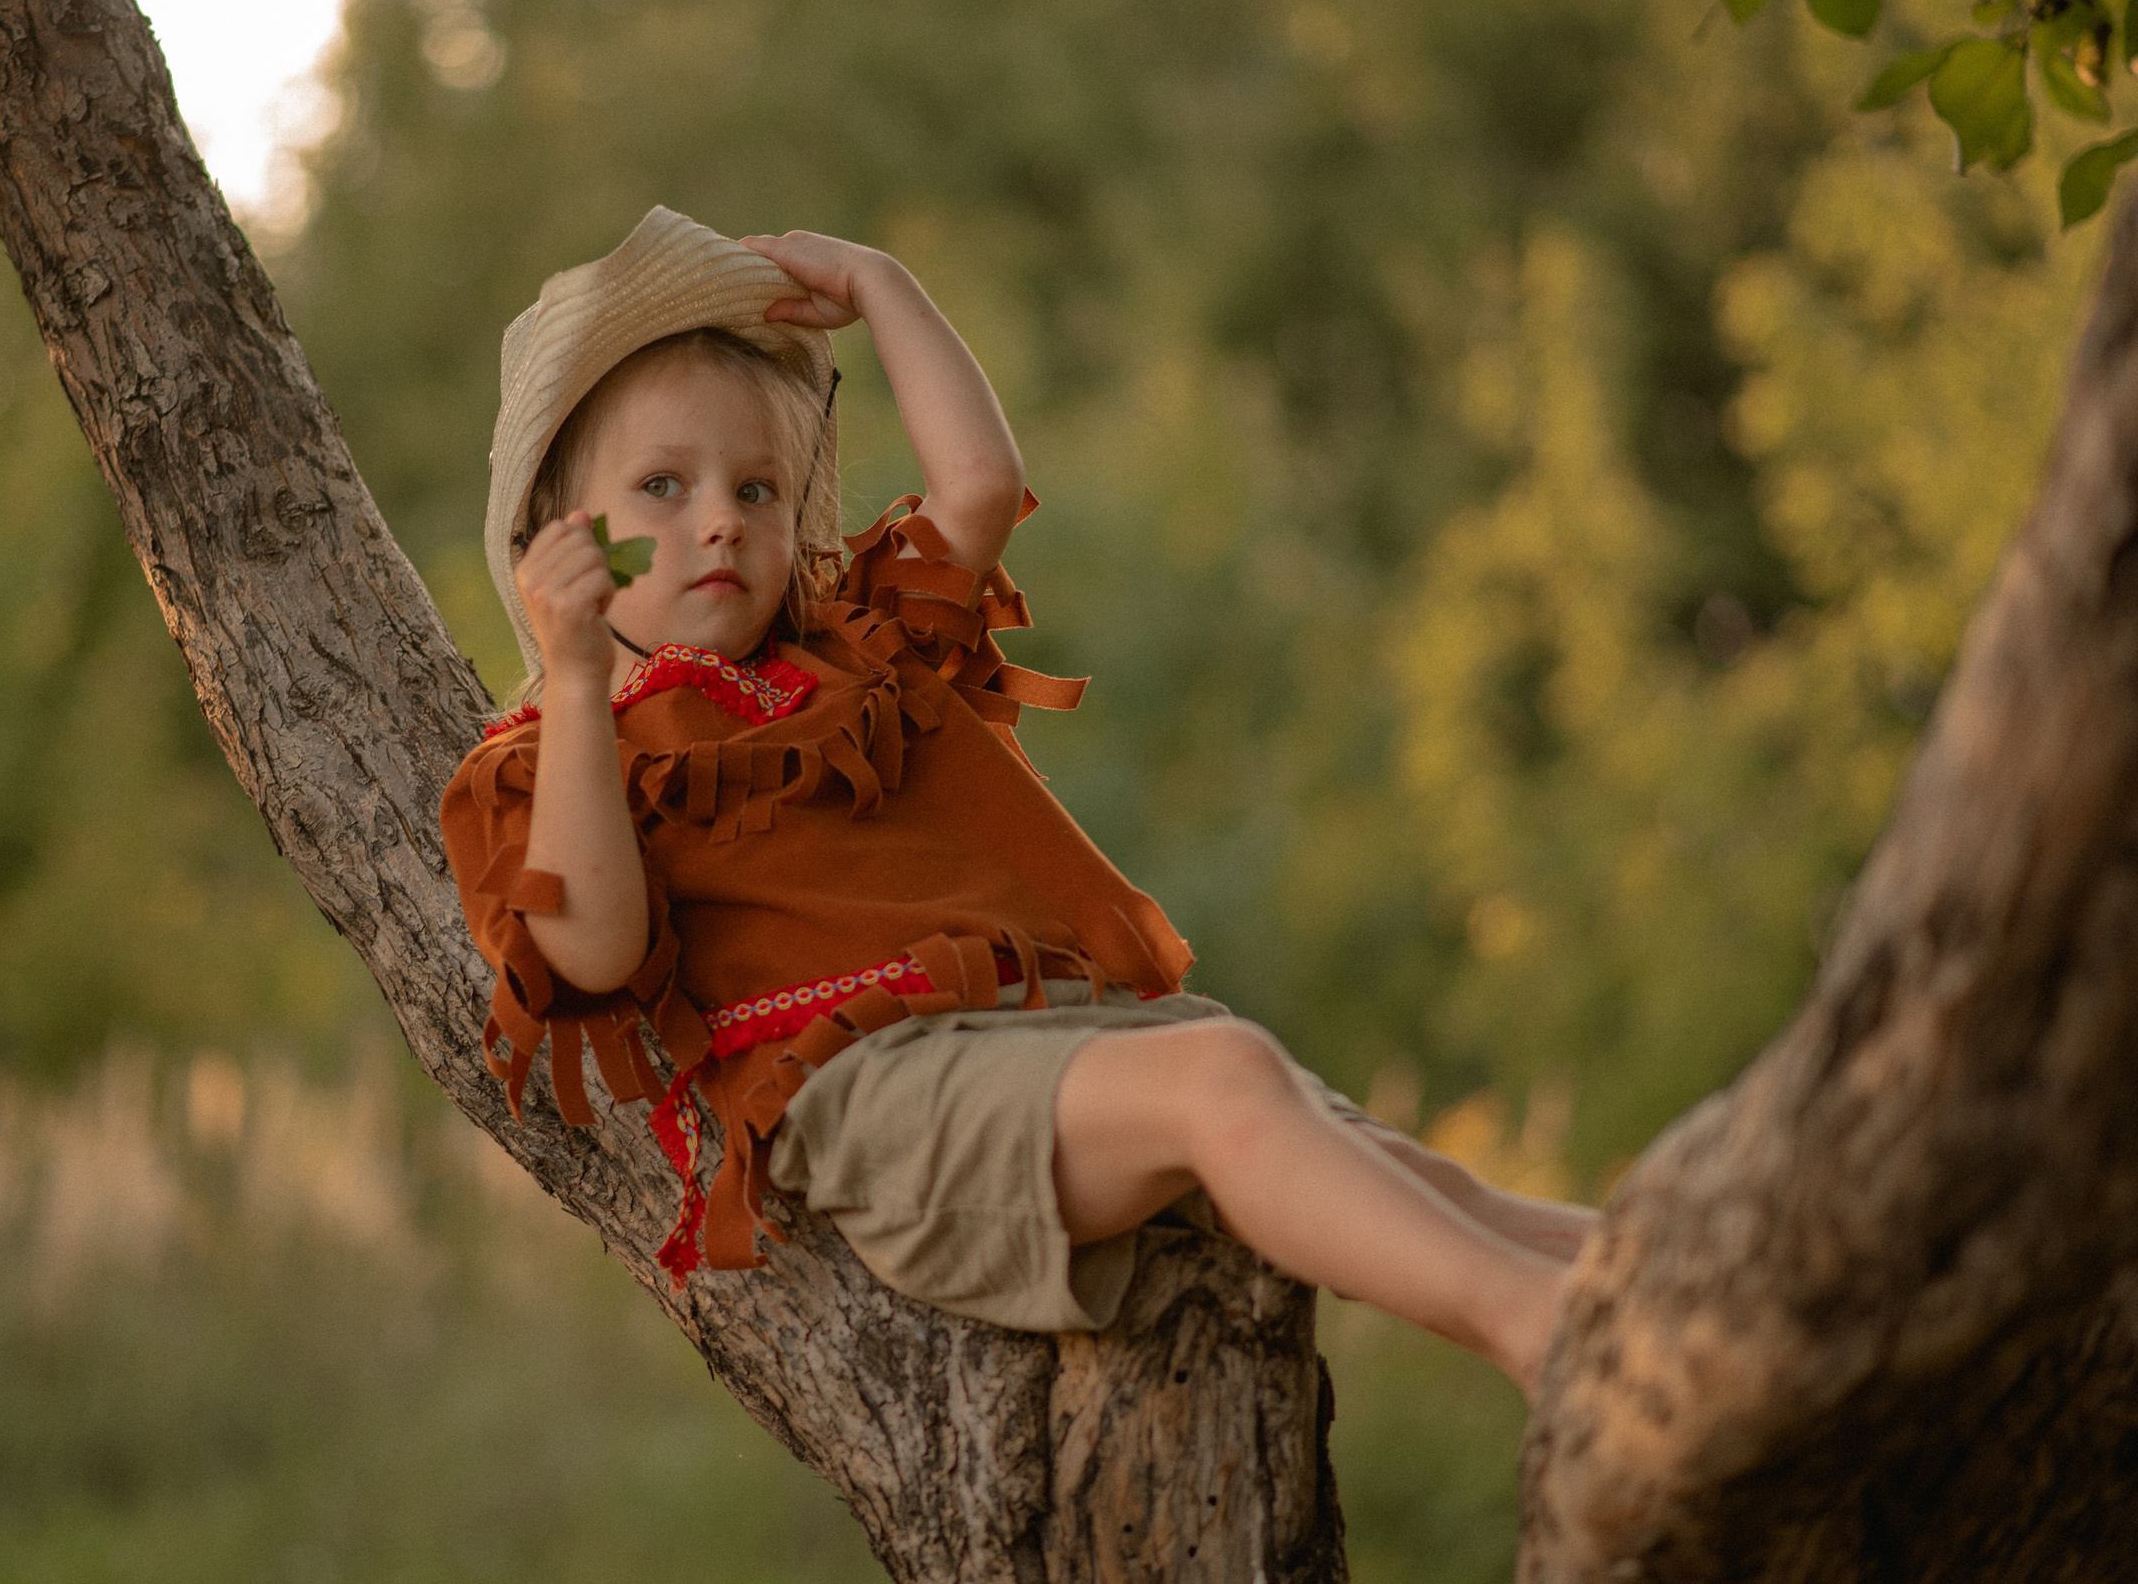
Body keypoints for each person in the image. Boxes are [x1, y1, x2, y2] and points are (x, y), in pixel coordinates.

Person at [441, 207, 1595, 1398]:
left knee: (1357, 1139)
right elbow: (589, 948)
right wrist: (577, 672)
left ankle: (1631, 1280)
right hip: (872, 1104)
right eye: (662, 486)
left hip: (1034, 1032)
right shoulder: (550, 757)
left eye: (759, 486)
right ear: (556, 543)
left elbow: (982, 485)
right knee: (1228, 1078)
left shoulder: (852, 662)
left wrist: (884, 287)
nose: (721, 515)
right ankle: (1539, 1332)